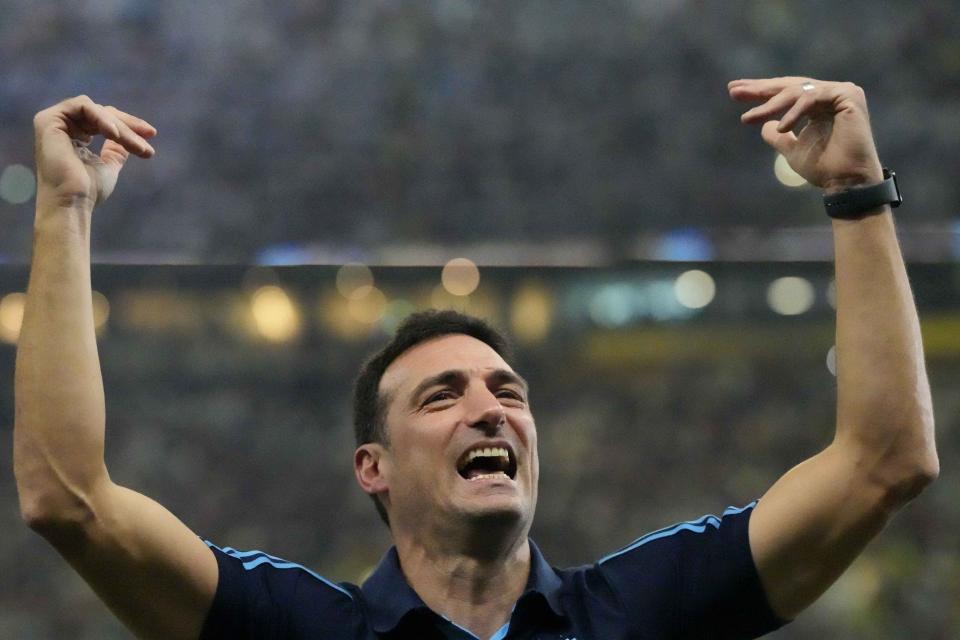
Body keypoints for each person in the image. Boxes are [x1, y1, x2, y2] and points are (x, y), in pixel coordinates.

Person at [14, 77, 938, 639]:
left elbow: (882, 462)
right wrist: (65, 212)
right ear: (370, 468)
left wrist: (857, 195)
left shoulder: (638, 612)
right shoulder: (295, 626)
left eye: (508, 390)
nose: (491, 409)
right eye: (441, 397)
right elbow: (70, 501)